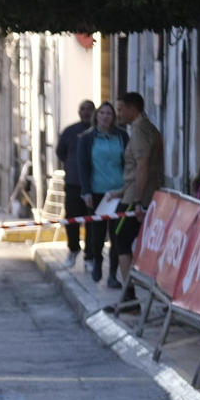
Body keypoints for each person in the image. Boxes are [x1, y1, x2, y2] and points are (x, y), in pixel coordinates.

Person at [107, 91, 164, 288]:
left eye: (121, 110)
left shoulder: (140, 130)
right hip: (133, 192)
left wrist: (137, 200)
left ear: (132, 109)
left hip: (137, 198)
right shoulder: (145, 128)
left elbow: (142, 166)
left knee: (121, 240)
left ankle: (129, 295)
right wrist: (122, 190)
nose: (118, 114)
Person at [75, 102, 128, 285]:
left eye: (109, 114)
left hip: (118, 193)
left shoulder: (121, 136)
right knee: (97, 234)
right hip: (97, 193)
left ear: (113, 117)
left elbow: (129, 163)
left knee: (116, 235)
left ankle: (113, 274)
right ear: (96, 116)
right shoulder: (87, 138)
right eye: (102, 113)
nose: (105, 117)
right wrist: (86, 191)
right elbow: (82, 166)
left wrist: (127, 188)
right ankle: (97, 260)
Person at [57, 99, 96, 268]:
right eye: (83, 109)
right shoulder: (69, 131)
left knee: (92, 221)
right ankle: (73, 249)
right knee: (71, 219)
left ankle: (90, 256)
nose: (86, 112)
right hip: (73, 183)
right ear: (79, 112)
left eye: (89, 109)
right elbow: (61, 153)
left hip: (94, 185)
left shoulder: (98, 132)